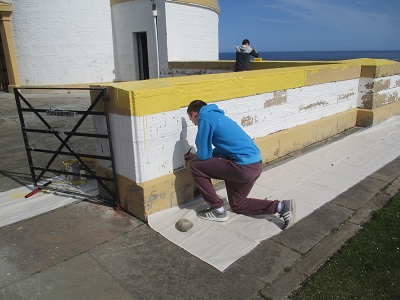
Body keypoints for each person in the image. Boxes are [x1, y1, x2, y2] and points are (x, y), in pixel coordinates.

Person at [184, 100, 296, 229]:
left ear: (194, 113)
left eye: (191, 118)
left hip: (241, 167)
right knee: (238, 204)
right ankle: (281, 206)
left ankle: (217, 210)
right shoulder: (220, 117)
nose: (193, 122)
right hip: (255, 165)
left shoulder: (205, 118)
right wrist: (199, 155)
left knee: (195, 166)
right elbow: (224, 148)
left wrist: (197, 157)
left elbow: (204, 156)